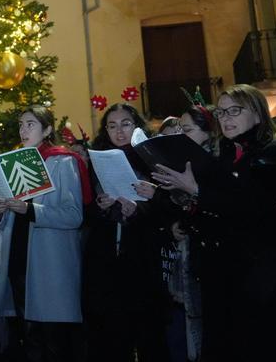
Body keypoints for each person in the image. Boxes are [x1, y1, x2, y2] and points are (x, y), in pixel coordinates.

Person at [153, 85, 276, 360]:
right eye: (221, 112)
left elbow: (255, 209)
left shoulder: (274, 152)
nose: (226, 118)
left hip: (262, 273)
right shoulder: (226, 154)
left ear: (257, 113)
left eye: (234, 111)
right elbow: (216, 205)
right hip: (224, 270)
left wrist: (196, 191)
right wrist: (184, 208)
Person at [0, 107, 87, 362]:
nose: (23, 130)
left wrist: (30, 209)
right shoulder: (16, 162)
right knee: (29, 339)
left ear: (47, 129)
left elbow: (73, 215)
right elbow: (9, 219)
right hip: (20, 260)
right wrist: (1, 211)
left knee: (53, 341)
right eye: (21, 124)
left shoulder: (62, 162)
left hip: (49, 264)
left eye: (30, 124)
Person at [82, 103, 169, 362]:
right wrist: (101, 206)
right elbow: (86, 211)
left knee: (149, 333)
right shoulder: (97, 160)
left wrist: (140, 208)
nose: (119, 131)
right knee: (110, 335)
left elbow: (168, 206)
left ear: (137, 126)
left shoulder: (153, 158)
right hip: (106, 258)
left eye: (125, 124)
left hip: (143, 257)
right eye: (112, 125)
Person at [149, 103, 216, 361]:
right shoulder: (184, 161)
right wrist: (175, 224)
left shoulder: (212, 162)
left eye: (185, 130)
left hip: (210, 263)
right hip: (183, 261)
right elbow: (173, 210)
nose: (180, 137)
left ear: (208, 131)